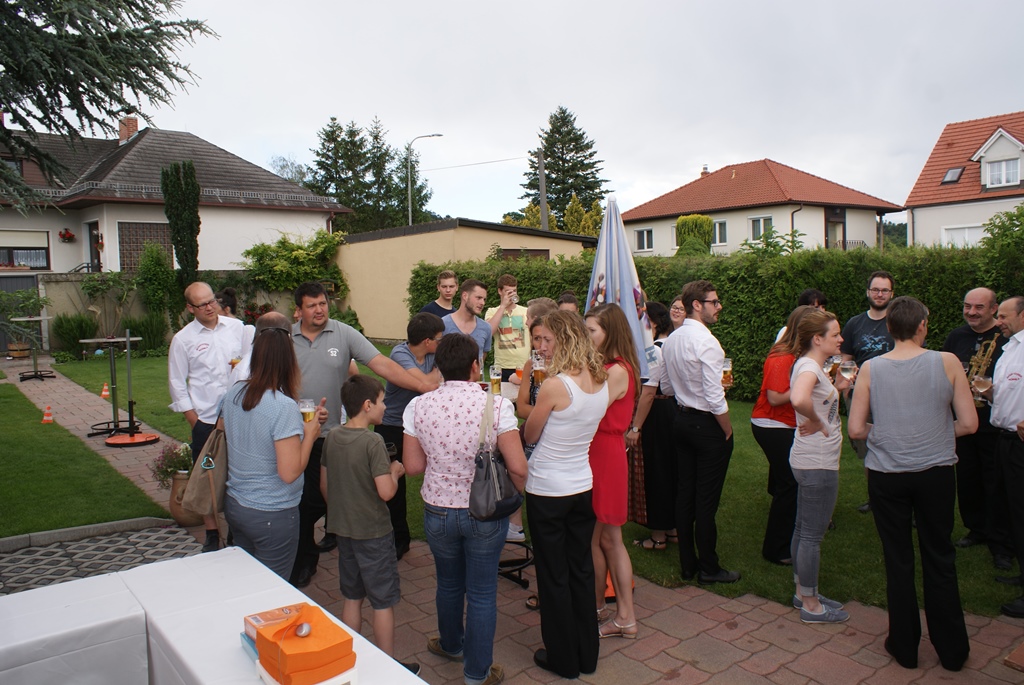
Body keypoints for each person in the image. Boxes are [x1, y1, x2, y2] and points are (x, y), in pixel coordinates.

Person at [849, 296, 976, 671]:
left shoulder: (871, 368)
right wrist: (931, 432)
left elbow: (856, 429)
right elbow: (969, 424)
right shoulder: (948, 361)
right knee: (940, 556)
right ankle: (952, 652)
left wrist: (890, 432)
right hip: (935, 473)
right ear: (923, 325)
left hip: (887, 476)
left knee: (898, 559)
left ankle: (904, 648)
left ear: (889, 328)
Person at [289, 281, 436, 589]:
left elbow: (381, 364)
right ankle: (304, 558)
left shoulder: (343, 333)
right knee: (301, 499)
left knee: (323, 496)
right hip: (294, 432)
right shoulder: (287, 339)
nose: (319, 310)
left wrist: (420, 385)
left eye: (323, 303)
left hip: (332, 434)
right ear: (298, 310)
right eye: (312, 305)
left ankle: (331, 535)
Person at [403, 333, 527, 685]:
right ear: (475, 366)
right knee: (483, 592)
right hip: (485, 510)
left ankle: (451, 644)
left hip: (438, 509)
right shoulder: (497, 406)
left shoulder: (418, 406)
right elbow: (518, 467)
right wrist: (518, 495)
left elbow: (413, 466)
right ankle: (477, 673)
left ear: (439, 366)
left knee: (448, 582)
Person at [522, 310, 609, 679]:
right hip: (581, 486)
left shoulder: (556, 385)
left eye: (547, 339)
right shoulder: (601, 379)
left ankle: (563, 659)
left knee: (553, 575)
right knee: (580, 569)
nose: (542, 346)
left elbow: (530, 434)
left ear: (564, 339)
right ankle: (587, 654)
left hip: (548, 489)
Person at [320, 374, 419, 675]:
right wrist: (395, 472)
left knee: (352, 596)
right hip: (374, 532)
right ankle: (387, 668)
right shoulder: (373, 441)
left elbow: (325, 485)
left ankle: (351, 659)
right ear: (367, 405)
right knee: (382, 601)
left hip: (344, 529)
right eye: (381, 401)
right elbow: (386, 492)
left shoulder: (332, 436)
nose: (385, 406)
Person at [221, 312, 323, 578]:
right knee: (272, 589)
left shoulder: (234, 393)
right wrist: (310, 434)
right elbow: (289, 473)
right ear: (289, 359)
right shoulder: (282, 406)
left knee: (246, 581)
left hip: (236, 505)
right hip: (271, 512)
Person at [661, 280, 738, 584]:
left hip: (681, 421)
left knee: (685, 494)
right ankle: (709, 568)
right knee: (705, 500)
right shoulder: (707, 342)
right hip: (705, 426)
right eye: (714, 302)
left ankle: (688, 564)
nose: (719, 307)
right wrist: (727, 430)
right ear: (697, 305)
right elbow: (714, 396)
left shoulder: (672, 339)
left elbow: (666, 387)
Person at [168, 281, 245, 552]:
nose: (210, 307)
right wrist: (194, 419)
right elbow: (177, 382)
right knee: (206, 475)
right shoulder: (183, 340)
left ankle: (235, 530)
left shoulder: (237, 328)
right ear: (190, 308)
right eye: (202, 304)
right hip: (206, 421)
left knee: (238, 474)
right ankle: (212, 533)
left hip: (239, 416)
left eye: (212, 301)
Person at [788, 309, 854, 623]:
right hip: (818, 463)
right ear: (817, 338)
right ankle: (812, 605)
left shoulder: (810, 365)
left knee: (803, 529)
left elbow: (812, 398)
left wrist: (836, 388)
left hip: (808, 459)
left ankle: (802, 592)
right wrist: (814, 420)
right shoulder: (809, 367)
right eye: (835, 334)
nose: (841, 339)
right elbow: (799, 398)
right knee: (812, 536)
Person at [941, 288, 1011, 568]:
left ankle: (1001, 541)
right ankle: (976, 529)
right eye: (967, 306)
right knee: (968, 479)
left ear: (993, 309)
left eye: (979, 307)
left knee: (996, 482)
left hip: (995, 423)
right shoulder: (956, 336)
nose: (971, 312)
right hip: (963, 422)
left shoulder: (1006, 337)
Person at [584, 303, 641, 639]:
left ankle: (618, 614)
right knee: (604, 538)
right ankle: (610, 612)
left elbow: (589, 408)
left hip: (604, 454)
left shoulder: (617, 370)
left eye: (591, 330)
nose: (587, 336)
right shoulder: (612, 366)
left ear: (610, 332)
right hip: (602, 452)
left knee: (604, 539)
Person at [751, 305, 815, 565]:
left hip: (780, 424)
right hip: (772, 425)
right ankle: (776, 549)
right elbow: (775, 398)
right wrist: (807, 384)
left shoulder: (794, 356)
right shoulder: (782, 357)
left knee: (785, 482)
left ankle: (784, 542)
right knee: (789, 484)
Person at [377, 312, 444, 561]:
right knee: (392, 481)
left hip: (423, 425)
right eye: (439, 339)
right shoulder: (400, 354)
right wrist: (438, 370)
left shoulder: (433, 354)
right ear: (427, 341)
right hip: (393, 425)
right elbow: (425, 383)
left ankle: (443, 531)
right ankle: (398, 539)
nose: (441, 342)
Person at [841, 271, 895, 514]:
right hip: (862, 396)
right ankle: (876, 498)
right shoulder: (854, 324)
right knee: (868, 449)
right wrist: (845, 390)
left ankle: (901, 499)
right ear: (868, 292)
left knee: (896, 446)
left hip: (894, 396)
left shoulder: (899, 321)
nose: (879, 294)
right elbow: (845, 360)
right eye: (876, 289)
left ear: (891, 294)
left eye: (884, 290)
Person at [627, 302, 677, 551]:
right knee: (669, 471)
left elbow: (648, 392)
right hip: (670, 410)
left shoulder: (653, 351)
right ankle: (672, 529)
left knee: (656, 472)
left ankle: (658, 536)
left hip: (656, 412)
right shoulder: (671, 344)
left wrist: (636, 428)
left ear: (653, 324)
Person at [990, 296, 1024, 618]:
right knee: (1012, 509)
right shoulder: (1010, 347)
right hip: (1005, 440)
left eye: (1003, 315)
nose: (998, 321)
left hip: (1021, 442)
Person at [485, 274, 529, 381]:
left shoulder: (526, 311)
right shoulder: (492, 311)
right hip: (501, 367)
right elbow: (489, 332)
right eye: (508, 291)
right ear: (500, 291)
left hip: (522, 365)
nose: (512, 294)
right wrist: (503, 306)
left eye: (514, 291)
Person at [442, 278, 492, 360]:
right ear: (465, 296)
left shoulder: (486, 328)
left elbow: (482, 356)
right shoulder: (444, 324)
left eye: (484, 299)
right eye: (478, 298)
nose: (482, 303)